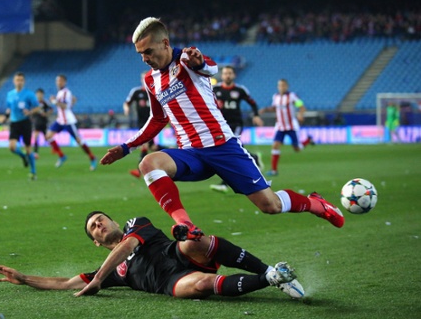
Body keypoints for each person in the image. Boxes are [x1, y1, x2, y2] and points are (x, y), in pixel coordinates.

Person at [100, 17, 344, 242]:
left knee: (270, 205)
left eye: (148, 52)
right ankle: (185, 224)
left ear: (164, 43)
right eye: (140, 54)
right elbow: (157, 119)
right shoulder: (150, 80)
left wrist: (200, 62)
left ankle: (316, 204)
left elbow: (210, 67)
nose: (144, 58)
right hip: (191, 153)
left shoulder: (186, 59)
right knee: (148, 164)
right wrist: (125, 147)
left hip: (222, 147)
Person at [0, 211, 304, 299]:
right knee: (195, 288)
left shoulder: (135, 224)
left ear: (114, 222)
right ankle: (271, 277)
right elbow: (64, 283)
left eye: (101, 219)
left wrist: (99, 279)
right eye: (94, 228)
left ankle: (267, 270)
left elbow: (127, 246)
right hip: (173, 281)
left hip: (179, 253)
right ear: (96, 242)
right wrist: (25, 278)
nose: (99, 224)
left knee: (195, 241)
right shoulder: (115, 274)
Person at [210, 65, 264, 193]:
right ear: (222, 76)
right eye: (225, 73)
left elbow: (252, 103)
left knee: (231, 149)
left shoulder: (240, 90)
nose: (227, 75)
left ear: (233, 75)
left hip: (236, 124)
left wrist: (256, 115)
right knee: (233, 149)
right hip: (220, 124)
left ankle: (225, 183)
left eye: (230, 73)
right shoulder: (215, 89)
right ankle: (254, 158)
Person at [259, 79, 314, 176]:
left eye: (283, 85)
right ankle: (274, 170)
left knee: (297, 149)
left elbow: (302, 107)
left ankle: (308, 140)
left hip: (291, 126)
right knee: (275, 145)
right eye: (280, 85)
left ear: (287, 86)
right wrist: (265, 109)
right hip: (280, 126)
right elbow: (274, 108)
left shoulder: (292, 96)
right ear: (278, 87)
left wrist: (301, 114)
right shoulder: (275, 97)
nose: (282, 87)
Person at [45, 74, 97, 171]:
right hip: (60, 120)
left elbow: (65, 106)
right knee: (48, 136)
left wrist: (54, 101)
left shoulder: (65, 92)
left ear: (64, 82)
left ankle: (92, 158)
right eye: (57, 81)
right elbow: (70, 103)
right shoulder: (60, 92)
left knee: (79, 141)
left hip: (69, 121)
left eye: (60, 81)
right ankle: (61, 156)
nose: (58, 82)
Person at [123, 71, 166, 178]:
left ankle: (139, 170)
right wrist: (126, 109)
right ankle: (172, 151)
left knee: (145, 145)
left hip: (153, 122)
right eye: (142, 78)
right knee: (153, 146)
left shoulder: (156, 90)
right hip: (141, 122)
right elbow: (127, 102)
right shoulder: (137, 92)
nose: (144, 80)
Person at [3, 72, 39, 180]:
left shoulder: (29, 94)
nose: (19, 82)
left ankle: (33, 172)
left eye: (21, 80)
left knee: (28, 148)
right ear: (14, 81)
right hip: (14, 123)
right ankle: (23, 157)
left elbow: (37, 107)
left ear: (24, 82)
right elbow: (9, 108)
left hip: (25, 122)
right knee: (12, 147)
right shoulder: (10, 94)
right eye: (17, 80)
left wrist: (30, 112)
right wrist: (6, 116)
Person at [31, 88, 53, 158]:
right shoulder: (33, 102)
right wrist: (36, 111)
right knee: (36, 136)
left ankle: (55, 148)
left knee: (46, 137)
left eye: (41, 94)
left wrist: (46, 114)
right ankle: (35, 152)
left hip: (43, 121)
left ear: (43, 95)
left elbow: (51, 109)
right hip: (36, 121)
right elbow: (30, 111)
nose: (39, 95)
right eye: (38, 94)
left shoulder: (45, 102)